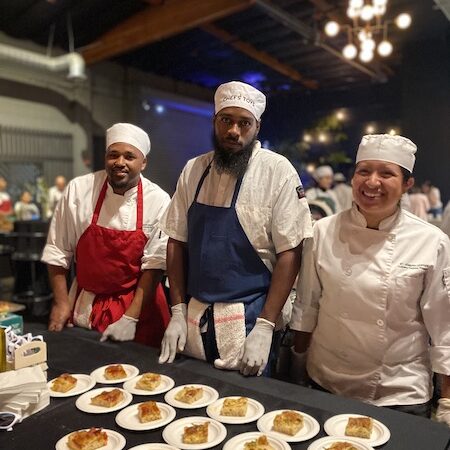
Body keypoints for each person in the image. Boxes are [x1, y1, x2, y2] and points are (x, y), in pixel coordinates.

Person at [290, 134, 450, 423]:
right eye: (363, 171)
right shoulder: (323, 231)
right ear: (353, 178)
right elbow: (307, 305)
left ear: (407, 185)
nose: (372, 182)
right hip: (326, 380)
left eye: (386, 173)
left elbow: (444, 329)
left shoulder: (431, 241)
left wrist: (448, 401)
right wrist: (297, 366)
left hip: (399, 391)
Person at [158, 81, 313, 376]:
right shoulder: (193, 169)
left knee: (245, 409)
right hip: (194, 315)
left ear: (257, 127)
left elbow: (290, 251)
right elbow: (176, 240)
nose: (233, 131)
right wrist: (177, 310)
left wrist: (266, 326)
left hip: (250, 319)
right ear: (215, 121)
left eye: (244, 123)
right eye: (226, 120)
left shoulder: (276, 171)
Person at [41, 123, 171, 347]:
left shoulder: (158, 200)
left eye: (129, 156)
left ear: (144, 163)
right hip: (86, 303)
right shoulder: (79, 190)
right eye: (114, 155)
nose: (120, 162)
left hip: (140, 307)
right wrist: (61, 303)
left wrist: (130, 317)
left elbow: (154, 265)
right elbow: (58, 251)